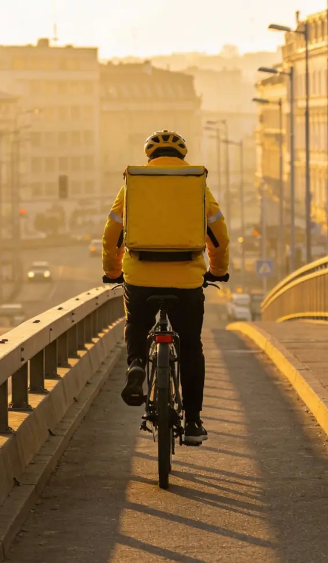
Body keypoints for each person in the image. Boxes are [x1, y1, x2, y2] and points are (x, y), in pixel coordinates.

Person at [101, 130, 231, 445]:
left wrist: (113, 271)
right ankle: (194, 422)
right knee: (191, 348)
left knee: (136, 323)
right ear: (182, 156)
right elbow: (219, 235)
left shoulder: (132, 185)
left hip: (140, 277)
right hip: (187, 280)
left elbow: (112, 234)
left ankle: (136, 365)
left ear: (150, 157)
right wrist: (217, 271)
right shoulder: (197, 184)